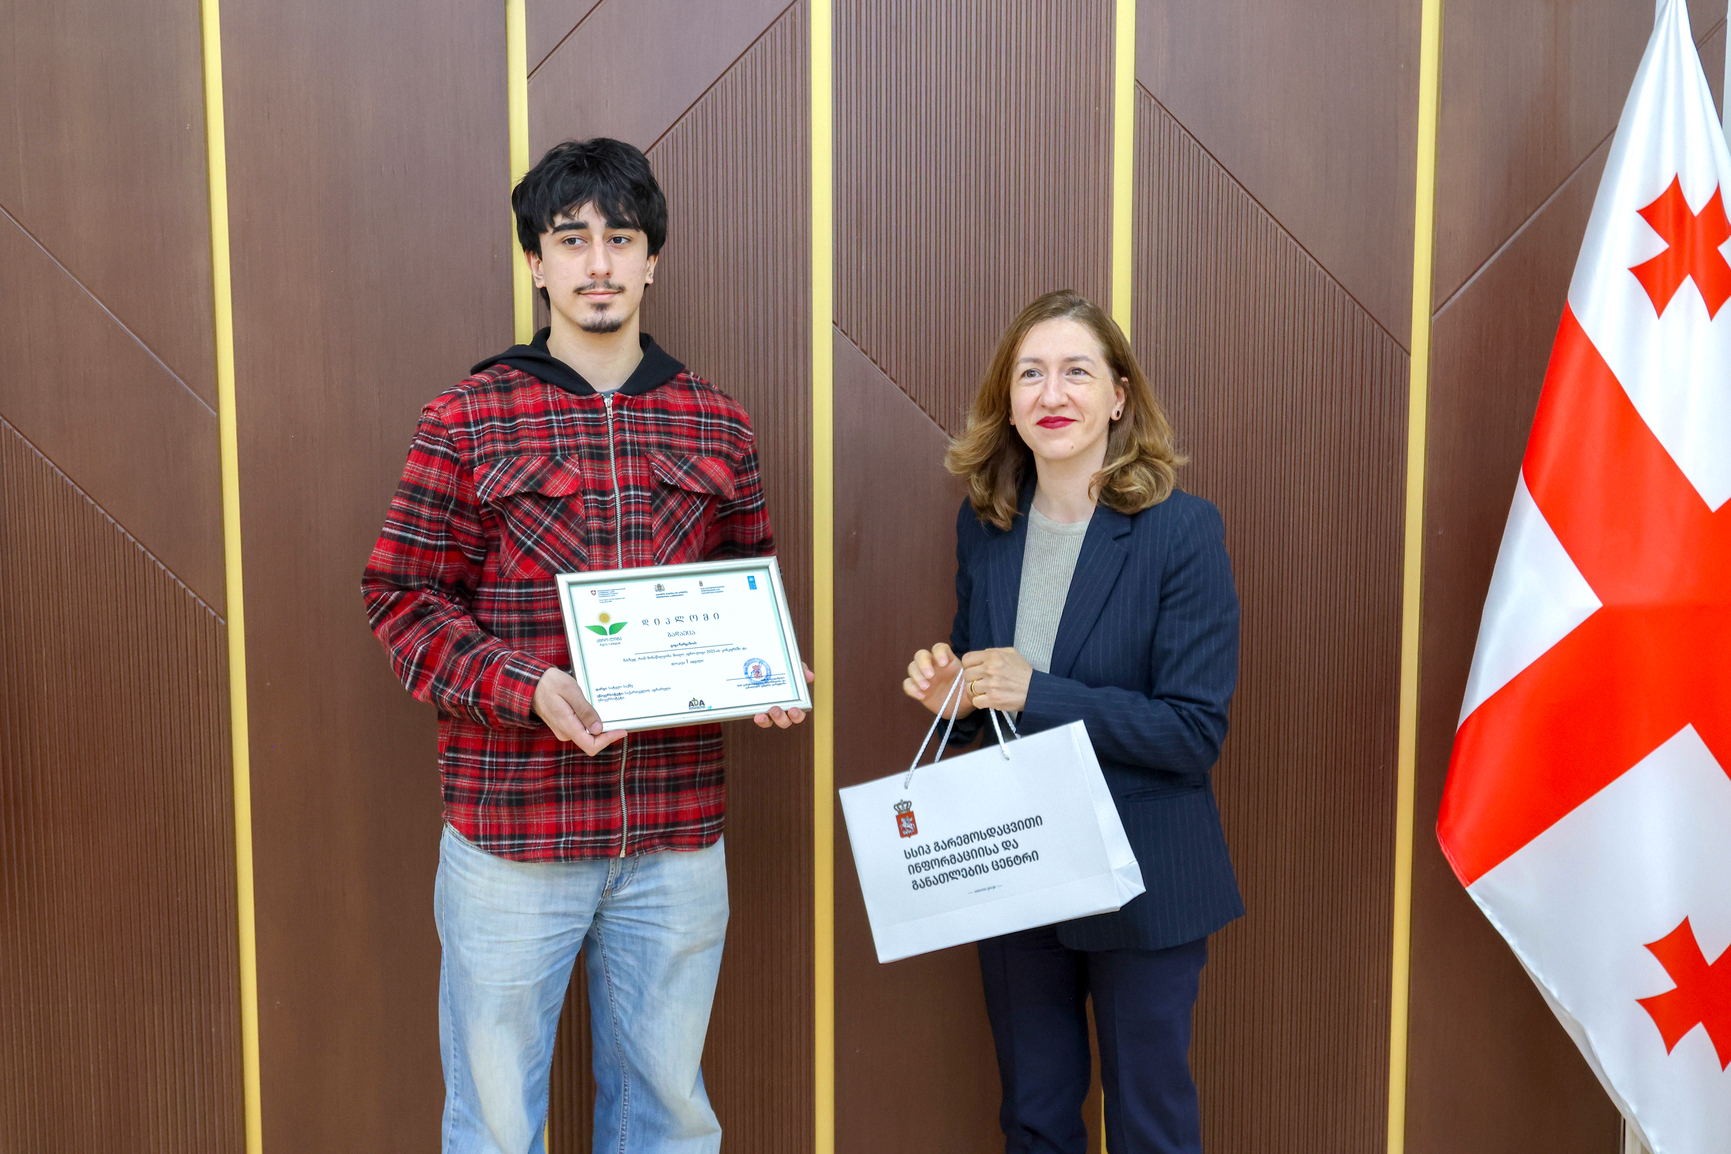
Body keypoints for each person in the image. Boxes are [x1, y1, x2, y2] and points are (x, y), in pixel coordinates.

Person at [362, 137, 808, 1154]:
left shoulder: (716, 424)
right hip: (513, 836)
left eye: (621, 239)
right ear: (537, 263)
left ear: (653, 261)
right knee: (494, 1124)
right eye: (571, 240)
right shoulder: (467, 418)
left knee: (668, 1116)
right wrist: (526, 685)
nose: (597, 263)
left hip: (675, 834)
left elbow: (745, 587)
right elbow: (401, 596)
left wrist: (769, 671)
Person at [902, 290, 1241, 1154]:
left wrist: (1035, 690)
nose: (1051, 394)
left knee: (1148, 1127)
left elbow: (1191, 732)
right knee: (1034, 1119)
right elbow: (991, 697)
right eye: (1030, 375)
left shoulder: (1181, 531)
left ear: (1118, 397)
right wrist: (957, 697)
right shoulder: (987, 526)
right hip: (1017, 868)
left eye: (1076, 372)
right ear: (1008, 402)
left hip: (1143, 878)